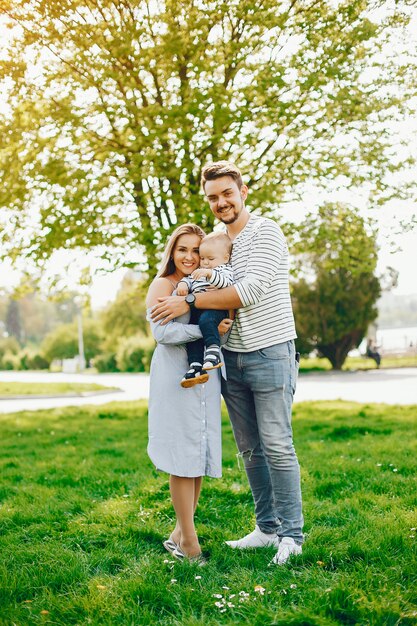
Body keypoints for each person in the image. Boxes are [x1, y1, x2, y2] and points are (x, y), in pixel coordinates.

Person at [151, 161, 304, 566]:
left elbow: (248, 291)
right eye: (213, 197)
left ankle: (292, 535)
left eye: (227, 194)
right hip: (230, 358)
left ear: (243, 191)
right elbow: (201, 277)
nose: (221, 202)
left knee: (277, 446)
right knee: (250, 449)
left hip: (270, 350)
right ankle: (267, 528)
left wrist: (185, 300)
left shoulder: (266, 231)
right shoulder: (215, 242)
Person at [146, 223, 224, 562]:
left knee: (198, 454)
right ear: (172, 253)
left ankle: (179, 533)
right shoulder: (163, 284)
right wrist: (208, 332)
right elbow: (162, 333)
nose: (190, 256)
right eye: (183, 249)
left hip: (204, 378)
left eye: (196, 250)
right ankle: (189, 545)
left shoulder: (205, 285)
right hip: (175, 376)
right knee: (182, 459)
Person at [177, 231, 235, 388]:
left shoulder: (224, 270)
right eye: (202, 258)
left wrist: (210, 274)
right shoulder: (200, 271)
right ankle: (195, 365)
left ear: (225, 258)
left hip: (214, 308)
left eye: (210, 259)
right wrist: (183, 285)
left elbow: (226, 284)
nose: (205, 263)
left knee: (206, 321)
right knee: (193, 337)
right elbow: (188, 279)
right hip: (197, 309)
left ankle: (213, 351)